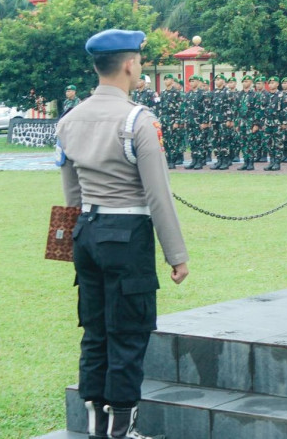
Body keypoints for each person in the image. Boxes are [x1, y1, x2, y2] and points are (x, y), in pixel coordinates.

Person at [57, 28, 189, 439]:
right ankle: (121, 431)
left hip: (86, 232)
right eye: (140, 61)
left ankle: (96, 426)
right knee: (128, 333)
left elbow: (71, 193)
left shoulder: (69, 119)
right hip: (126, 234)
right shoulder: (138, 120)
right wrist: (176, 255)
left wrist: (66, 245)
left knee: (95, 332)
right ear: (130, 65)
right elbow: (158, 195)